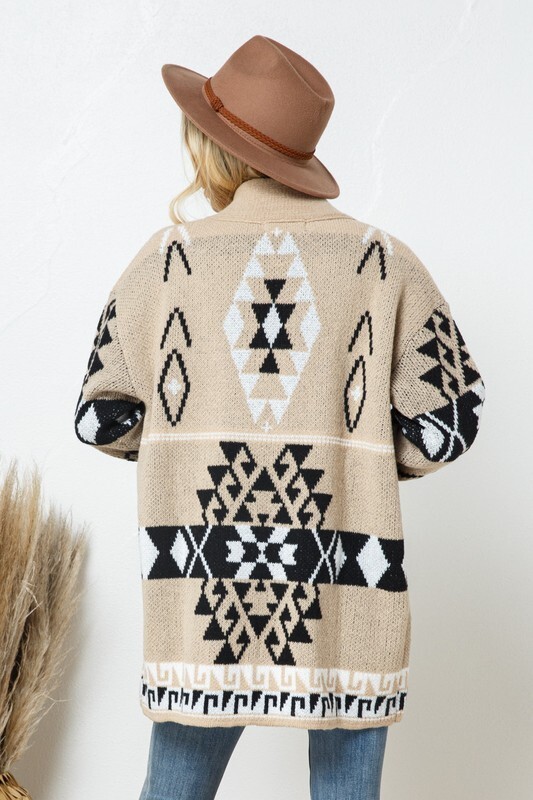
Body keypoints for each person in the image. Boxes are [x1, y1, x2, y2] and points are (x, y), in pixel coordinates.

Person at [73, 35, 486, 800]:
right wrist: (358, 454)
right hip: (345, 591)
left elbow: (99, 418)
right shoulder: (381, 263)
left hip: (202, 590)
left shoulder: (165, 263)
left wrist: (181, 441)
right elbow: (449, 423)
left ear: (211, 146)